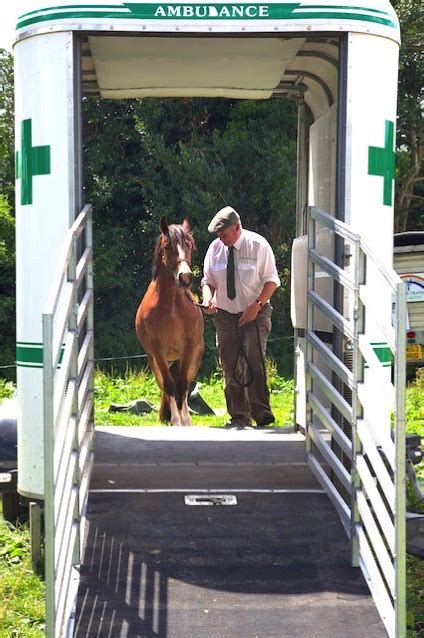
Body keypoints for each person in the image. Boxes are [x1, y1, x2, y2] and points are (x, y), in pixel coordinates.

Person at [201, 205, 280, 428]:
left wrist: (256, 306)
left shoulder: (258, 245)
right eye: (218, 235)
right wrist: (208, 299)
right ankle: (238, 415)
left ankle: (262, 411)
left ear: (238, 228)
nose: (221, 239)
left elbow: (272, 281)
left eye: (224, 234)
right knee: (229, 362)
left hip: (256, 311)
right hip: (225, 315)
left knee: (254, 358)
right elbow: (208, 280)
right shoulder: (215, 248)